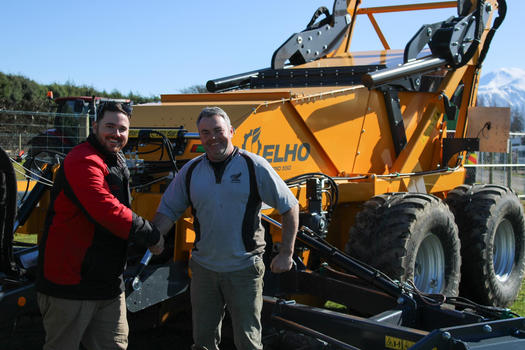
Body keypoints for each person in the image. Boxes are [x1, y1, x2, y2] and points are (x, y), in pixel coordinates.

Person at [153, 106, 299, 350]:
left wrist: (286, 253)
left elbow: (290, 206)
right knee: (203, 343)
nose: (212, 138)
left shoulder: (254, 166)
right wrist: (154, 237)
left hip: (244, 269)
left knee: (248, 342)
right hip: (203, 271)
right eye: (205, 133)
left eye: (218, 130)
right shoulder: (190, 171)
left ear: (231, 131)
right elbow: (168, 211)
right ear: (200, 137)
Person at [36, 102, 164, 350]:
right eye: (110, 126)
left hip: (108, 285)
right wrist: (151, 235)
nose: (116, 133)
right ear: (94, 127)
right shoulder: (83, 159)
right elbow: (106, 209)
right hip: (70, 284)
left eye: (123, 129)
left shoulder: (114, 158)